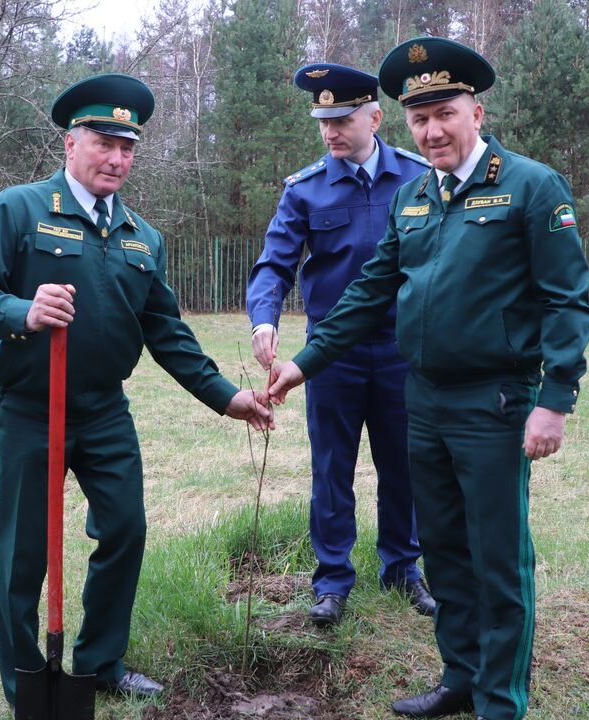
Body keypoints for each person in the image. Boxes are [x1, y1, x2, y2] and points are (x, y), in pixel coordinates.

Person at [267, 37, 589, 720]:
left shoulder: (530, 186)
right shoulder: (414, 196)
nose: (433, 130)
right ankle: (461, 678)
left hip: (496, 401)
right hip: (424, 398)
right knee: (442, 551)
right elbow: (367, 291)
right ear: (405, 124)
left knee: (498, 560)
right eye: (419, 118)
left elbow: (567, 301)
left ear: (475, 110)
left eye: (444, 112)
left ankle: (500, 702)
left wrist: (554, 402)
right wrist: (303, 364)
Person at [0, 73, 273, 710]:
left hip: (102, 413)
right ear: (72, 143)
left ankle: (99, 663)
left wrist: (228, 396)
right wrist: (22, 310)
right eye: (104, 142)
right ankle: (26, 686)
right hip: (28, 411)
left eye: (128, 147)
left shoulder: (140, 237)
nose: (117, 158)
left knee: (125, 529)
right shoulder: (17, 210)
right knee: (23, 557)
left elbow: (167, 333)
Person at [247, 62, 434, 626]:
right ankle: (331, 580)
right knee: (333, 467)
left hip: (405, 350)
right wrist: (264, 317)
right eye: (323, 121)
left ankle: (403, 568)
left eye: (343, 119)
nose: (331, 131)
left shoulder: (419, 178)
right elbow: (274, 263)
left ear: (375, 118)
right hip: (330, 355)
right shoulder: (305, 190)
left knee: (404, 464)